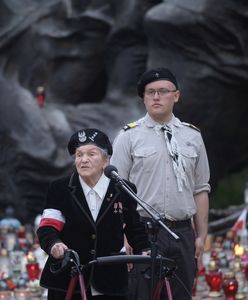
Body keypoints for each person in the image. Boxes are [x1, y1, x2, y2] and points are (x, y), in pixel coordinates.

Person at [110, 67, 211, 300]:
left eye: (163, 91)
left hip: (182, 232)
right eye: (150, 92)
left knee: (181, 294)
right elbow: (117, 193)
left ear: (176, 95)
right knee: (142, 294)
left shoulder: (192, 136)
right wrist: (123, 236)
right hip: (142, 231)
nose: (156, 97)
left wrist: (202, 235)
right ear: (143, 98)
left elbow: (201, 188)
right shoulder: (128, 136)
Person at [37, 128, 149, 300]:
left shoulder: (122, 188)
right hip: (69, 279)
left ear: (106, 160)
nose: (84, 160)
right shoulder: (60, 188)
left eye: (91, 154)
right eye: (79, 155)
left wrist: (145, 250)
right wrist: (55, 245)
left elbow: (134, 228)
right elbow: (48, 227)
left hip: (110, 280)